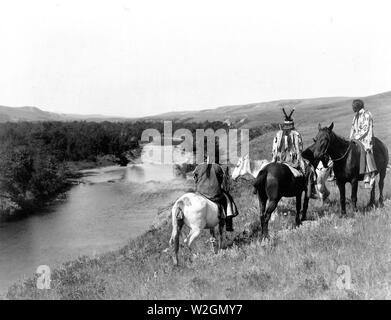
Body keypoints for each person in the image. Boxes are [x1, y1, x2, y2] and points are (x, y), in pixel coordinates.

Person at [272, 107, 317, 198]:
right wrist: (300, 160)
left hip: (278, 159)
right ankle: (310, 191)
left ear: (284, 125)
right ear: (292, 124)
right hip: (292, 160)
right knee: (310, 169)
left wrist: (274, 159)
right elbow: (299, 149)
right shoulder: (296, 134)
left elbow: (274, 149)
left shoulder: (278, 134)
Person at [193, 156, 238, 231]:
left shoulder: (198, 167)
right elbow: (221, 180)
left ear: (203, 158)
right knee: (228, 200)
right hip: (214, 193)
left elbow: (195, 179)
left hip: (200, 192)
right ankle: (228, 224)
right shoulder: (217, 167)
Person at [349, 99, 377, 188]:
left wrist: (356, 138)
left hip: (366, 138)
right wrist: (350, 138)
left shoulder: (366, 115)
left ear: (357, 106)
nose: (352, 108)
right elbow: (352, 128)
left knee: (366, 150)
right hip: (357, 138)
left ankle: (370, 174)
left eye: (353, 106)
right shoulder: (355, 116)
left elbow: (365, 130)